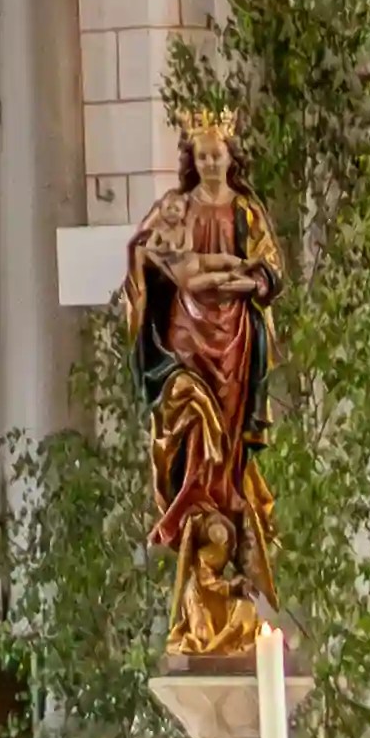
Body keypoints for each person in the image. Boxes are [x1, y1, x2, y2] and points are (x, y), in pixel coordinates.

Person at [127, 106, 283, 660]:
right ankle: (194, 510)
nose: (212, 160)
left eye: (219, 152)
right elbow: (144, 253)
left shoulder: (245, 210)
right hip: (188, 338)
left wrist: (245, 276)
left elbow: (269, 268)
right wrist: (176, 269)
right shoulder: (176, 207)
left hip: (235, 343)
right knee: (194, 422)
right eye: (203, 153)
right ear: (191, 159)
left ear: (230, 156)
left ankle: (223, 507)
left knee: (229, 437)